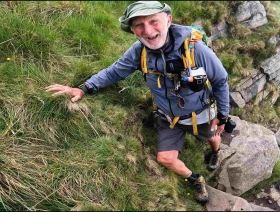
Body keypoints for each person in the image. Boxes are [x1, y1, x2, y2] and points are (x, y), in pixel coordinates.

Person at [45, 1, 230, 203]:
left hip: (200, 114)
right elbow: (114, 72)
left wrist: (222, 115)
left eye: (153, 21)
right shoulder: (139, 51)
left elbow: (220, 80)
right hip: (169, 118)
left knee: (213, 137)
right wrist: (83, 88)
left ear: (168, 20)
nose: (148, 31)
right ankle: (196, 179)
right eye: (139, 25)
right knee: (165, 158)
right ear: (133, 30)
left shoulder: (196, 50)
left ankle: (215, 152)